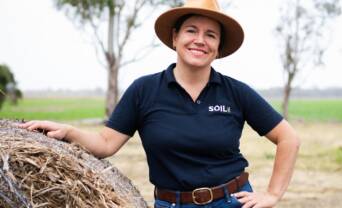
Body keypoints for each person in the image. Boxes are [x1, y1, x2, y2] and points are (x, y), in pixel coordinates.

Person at [19, 0, 300, 207]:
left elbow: (288, 138)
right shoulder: (144, 90)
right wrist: (68, 132)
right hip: (171, 204)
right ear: (175, 37)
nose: (200, 40)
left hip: (230, 201)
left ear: (218, 48)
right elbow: (105, 143)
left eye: (210, 35)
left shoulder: (235, 92)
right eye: (191, 31)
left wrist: (272, 194)